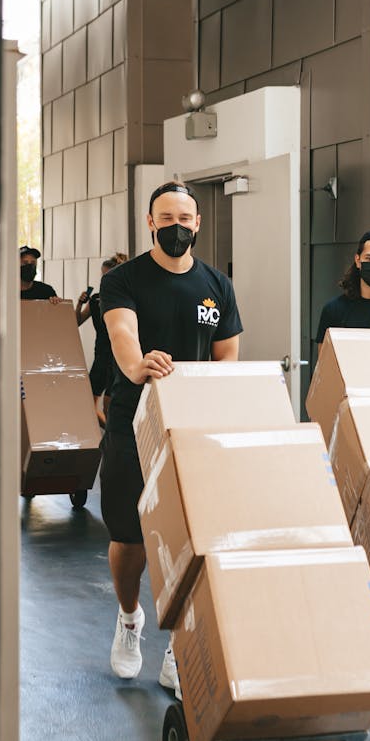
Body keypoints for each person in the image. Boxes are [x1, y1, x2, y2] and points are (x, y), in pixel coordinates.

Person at [99, 181, 243, 690]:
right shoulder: (123, 279)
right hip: (132, 421)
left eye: (186, 218)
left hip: (193, 425)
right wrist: (138, 366)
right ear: (150, 222)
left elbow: (227, 355)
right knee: (129, 535)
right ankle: (130, 618)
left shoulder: (217, 285)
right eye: (167, 218)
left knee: (192, 538)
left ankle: (180, 645)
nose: (177, 227)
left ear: (198, 223)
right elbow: (121, 333)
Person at [75, 253, 128, 425]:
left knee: (109, 405)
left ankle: (111, 436)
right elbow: (77, 322)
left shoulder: (124, 298)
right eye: (102, 276)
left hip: (118, 356)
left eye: (107, 276)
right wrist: (79, 304)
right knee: (88, 403)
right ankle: (108, 435)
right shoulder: (96, 299)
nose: (104, 280)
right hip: (101, 355)